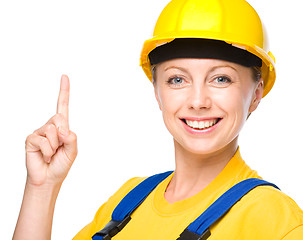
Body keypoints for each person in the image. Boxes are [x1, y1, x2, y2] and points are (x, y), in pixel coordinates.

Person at [13, 0, 303, 239]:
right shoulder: (126, 203)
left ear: (255, 93)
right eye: (177, 79)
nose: (198, 101)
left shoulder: (275, 220)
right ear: (157, 92)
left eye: (221, 78)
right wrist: (42, 188)